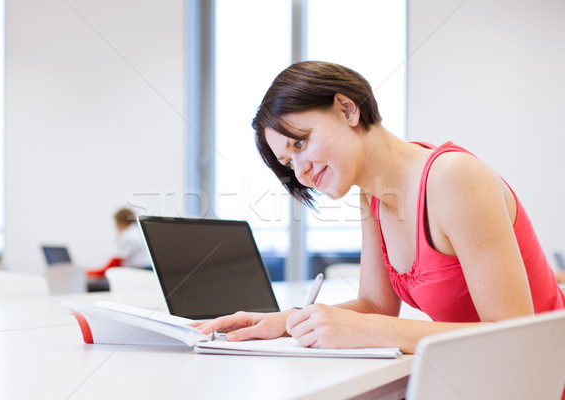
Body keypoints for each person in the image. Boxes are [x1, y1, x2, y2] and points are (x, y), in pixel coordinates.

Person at [194, 61, 565, 354]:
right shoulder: (371, 196)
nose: (301, 171)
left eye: (301, 144)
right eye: (288, 164)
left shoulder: (453, 177)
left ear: (347, 109)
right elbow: (376, 305)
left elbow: (514, 339)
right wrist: (288, 321)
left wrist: (374, 331)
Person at [86, 208, 152, 277]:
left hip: (141, 273)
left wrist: (86, 273)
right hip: (149, 272)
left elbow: (113, 265)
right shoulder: (139, 231)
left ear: (121, 224)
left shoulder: (128, 235)